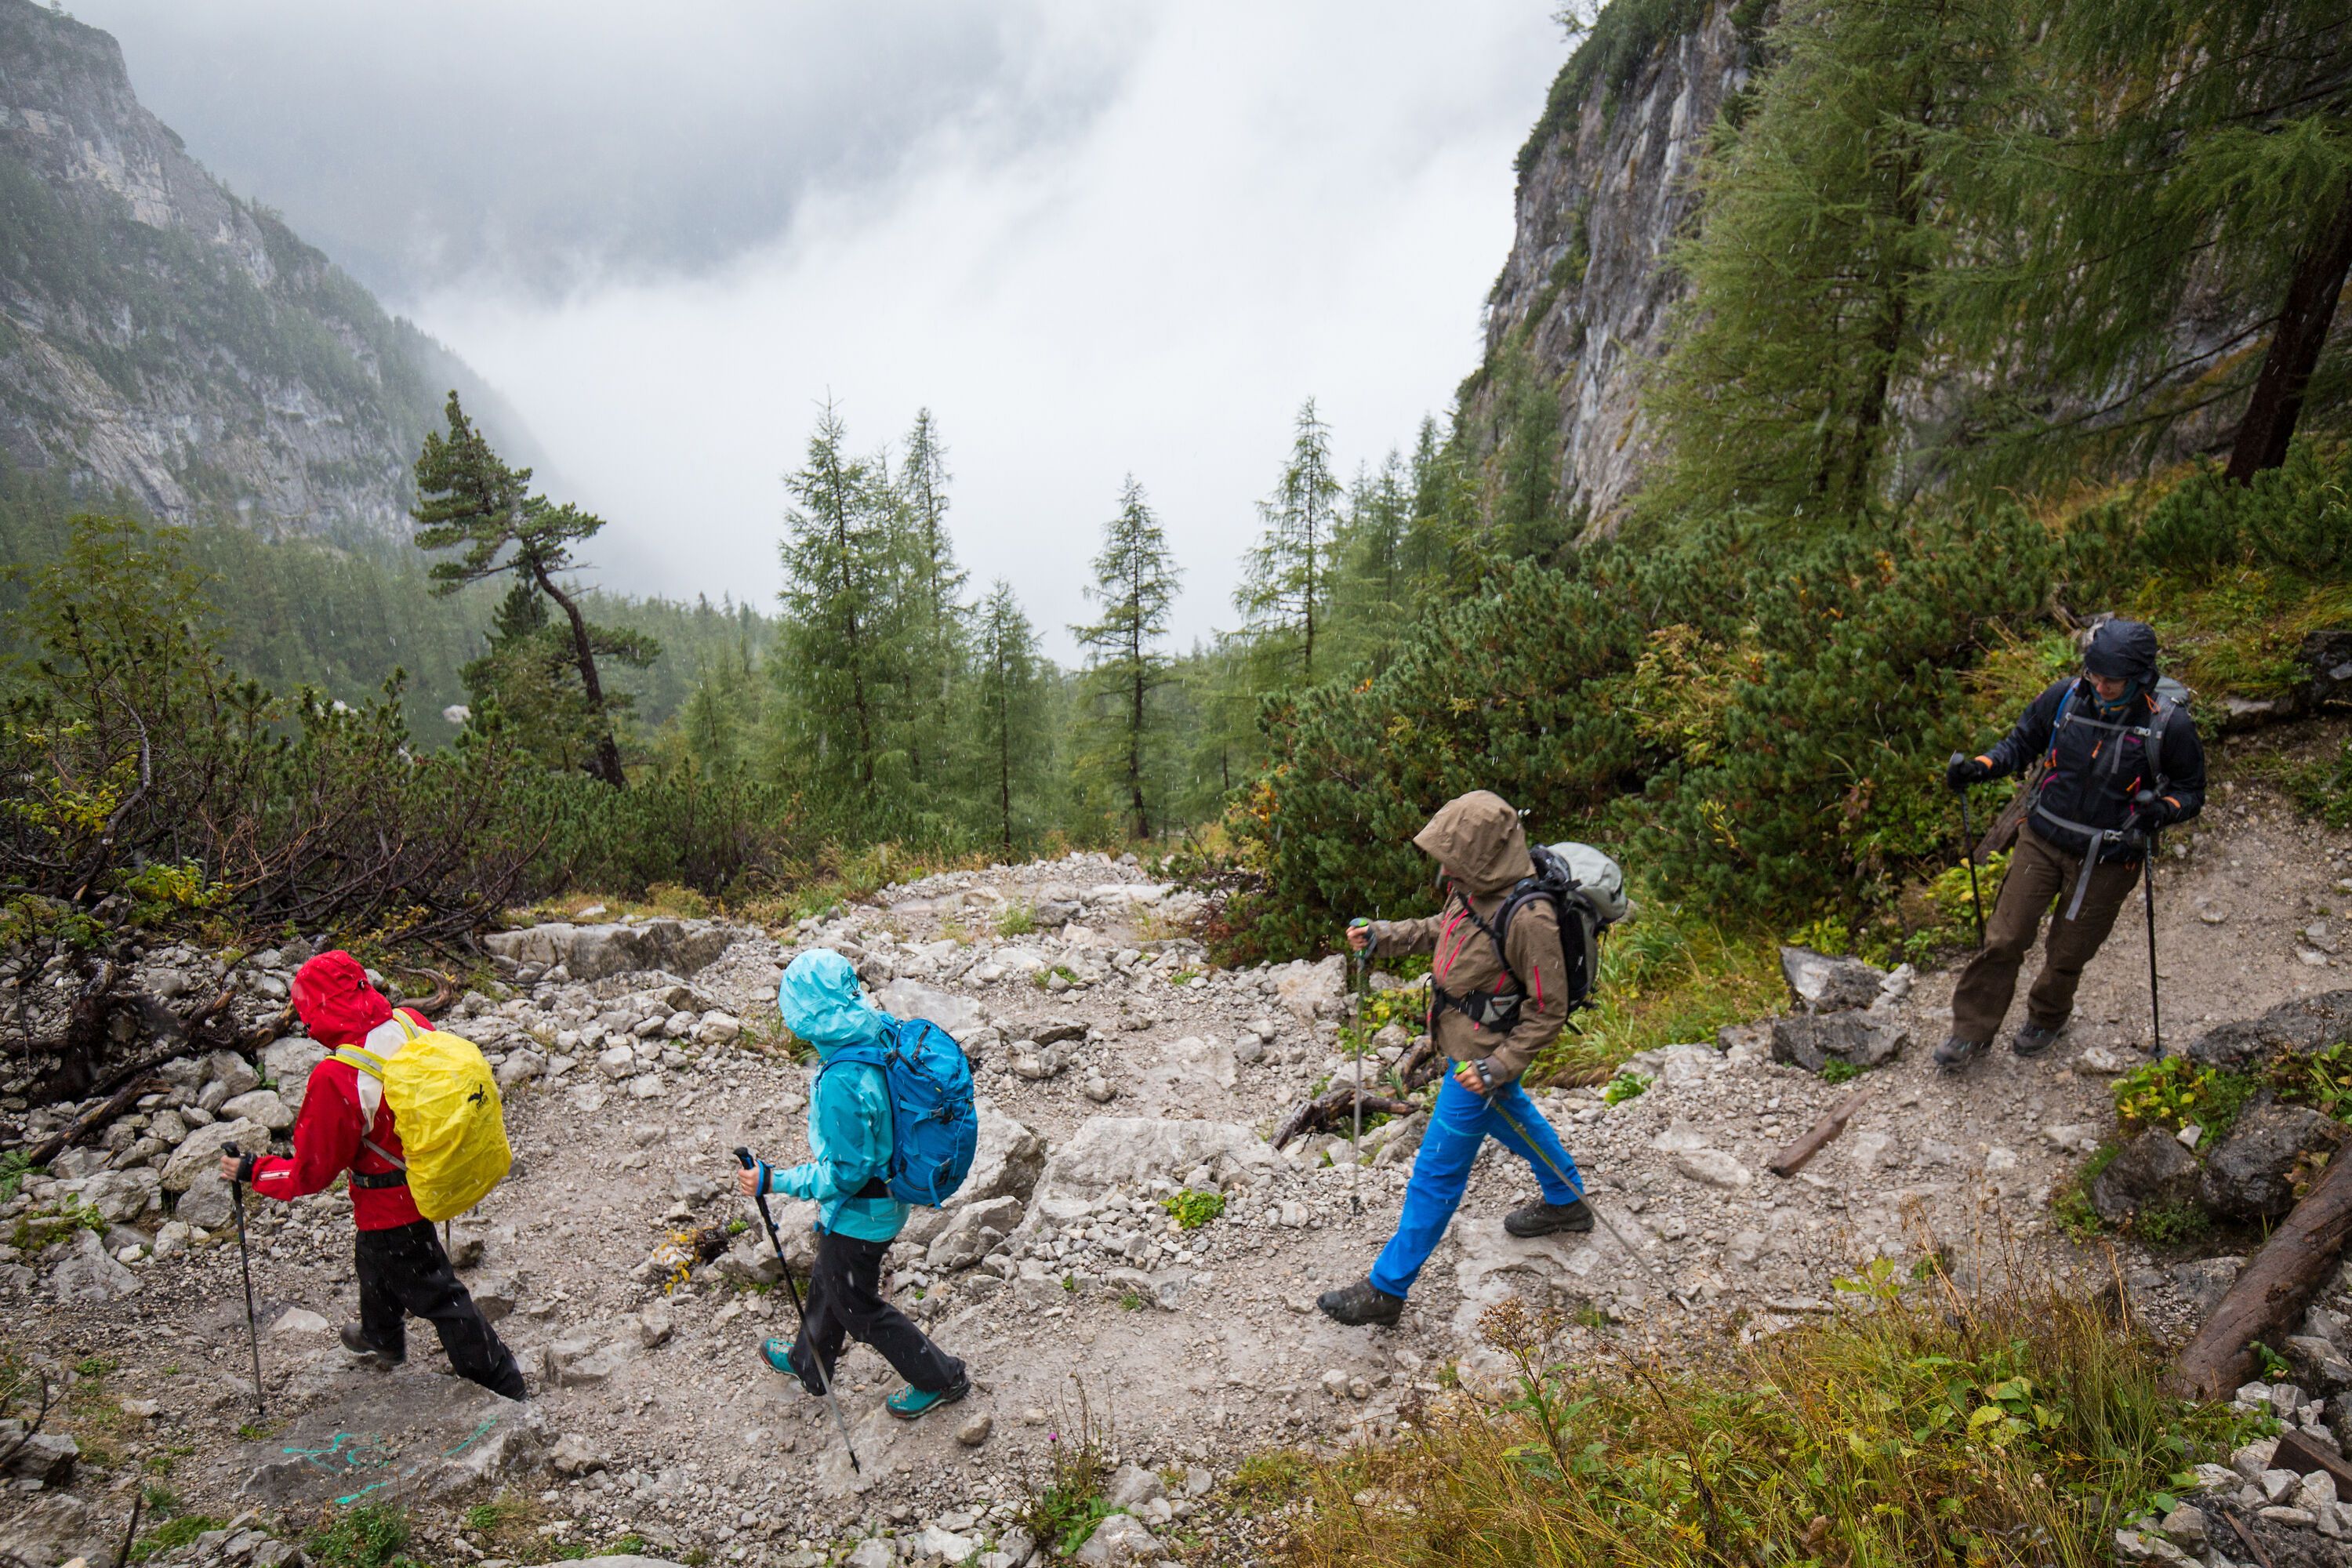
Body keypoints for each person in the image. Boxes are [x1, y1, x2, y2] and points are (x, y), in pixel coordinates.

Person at [1317, 790, 1595, 1328]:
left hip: (1483, 1061)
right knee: (1515, 1119)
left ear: (1484, 853)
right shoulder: (1472, 887)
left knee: (1435, 1173)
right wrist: (1381, 936)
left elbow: (1549, 1011)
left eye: (1453, 855)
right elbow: (1439, 931)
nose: (1444, 868)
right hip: (1463, 1051)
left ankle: (1386, 1288)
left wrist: (1498, 1066)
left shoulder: (1530, 917)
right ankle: (1566, 1201)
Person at [220, 950, 525, 1399]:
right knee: (373, 1256)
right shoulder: (409, 1023)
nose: (304, 1023)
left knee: (437, 1293)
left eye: (305, 1011)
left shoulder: (337, 1076)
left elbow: (311, 1172)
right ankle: (381, 1335)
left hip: (389, 1201)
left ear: (319, 1009)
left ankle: (502, 1380)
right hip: (432, 1173)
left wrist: (252, 1171)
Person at [1936, 618, 2205, 1070]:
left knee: (2068, 951)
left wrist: (2163, 810)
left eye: (2110, 680)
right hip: (2042, 839)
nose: (2098, 686)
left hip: (2110, 856)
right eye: (2093, 674)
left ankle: (2048, 1016)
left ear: (2140, 678)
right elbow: (2021, 744)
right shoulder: (2066, 696)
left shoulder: (2169, 724)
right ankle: (1970, 1032)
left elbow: (2191, 790)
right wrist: (1981, 766)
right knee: (2004, 938)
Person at [741, 949, 969, 1419]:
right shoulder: (873, 1026)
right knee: (829, 1280)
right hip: (882, 1197)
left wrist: (774, 1179)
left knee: (858, 1307)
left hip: (863, 1212)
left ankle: (942, 1378)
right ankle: (810, 1362)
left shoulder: (842, 1081)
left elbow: (846, 1173)